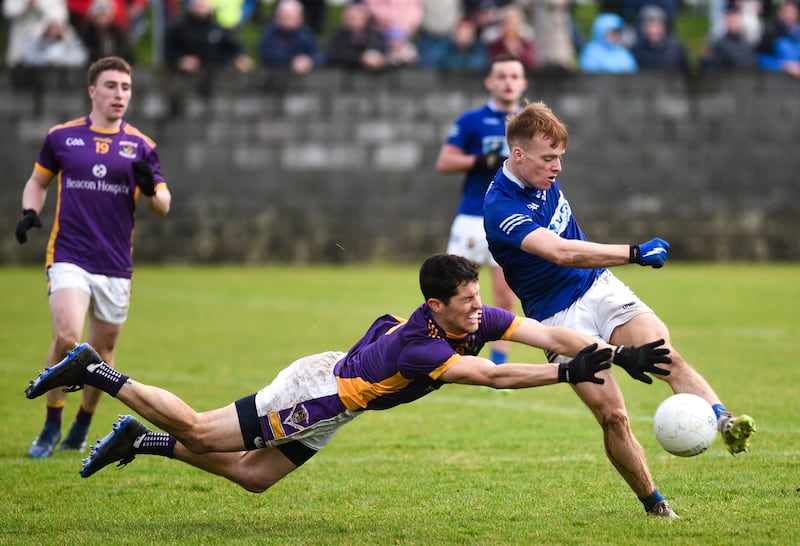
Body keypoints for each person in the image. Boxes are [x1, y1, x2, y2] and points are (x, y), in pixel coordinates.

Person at [24, 253, 673, 496]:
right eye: (468, 301)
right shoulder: (423, 348)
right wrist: (565, 377)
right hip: (316, 394)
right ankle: (97, 373)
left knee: (254, 478)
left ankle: (140, 441)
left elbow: (549, 334)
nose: (480, 307)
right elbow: (493, 379)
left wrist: (619, 354)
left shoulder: (471, 316)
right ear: (436, 305)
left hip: (339, 401)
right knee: (199, 430)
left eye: (479, 297)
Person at [482, 101, 757, 518]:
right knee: (613, 415)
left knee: (667, 355)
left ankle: (724, 423)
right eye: (548, 158)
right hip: (557, 317)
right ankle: (657, 506)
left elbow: (575, 254)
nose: (557, 168)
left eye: (560, 158)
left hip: (599, 288)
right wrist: (633, 252)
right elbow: (560, 252)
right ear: (517, 155)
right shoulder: (501, 207)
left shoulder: (540, 176)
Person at [15, 56, 173, 459]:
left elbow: (163, 205)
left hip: (116, 264)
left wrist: (150, 190)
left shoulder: (141, 146)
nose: (119, 94)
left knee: (102, 356)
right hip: (69, 255)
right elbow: (37, 182)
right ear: (92, 91)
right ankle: (51, 424)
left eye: (125, 87)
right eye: (111, 86)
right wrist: (30, 212)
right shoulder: (62, 138)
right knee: (69, 339)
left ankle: (81, 425)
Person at [435, 54, 526, 366]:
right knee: (454, 293)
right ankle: (442, 356)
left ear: (523, 83)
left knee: (504, 297)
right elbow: (445, 161)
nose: (508, 82)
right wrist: (479, 161)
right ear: (489, 82)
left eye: (514, 76)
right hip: (473, 218)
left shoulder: (529, 124)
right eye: (502, 76)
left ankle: (497, 366)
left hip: (510, 220)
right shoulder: (471, 121)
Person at [163, 0, 254, 99]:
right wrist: (180, 60)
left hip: (214, 84)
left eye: (204, 3)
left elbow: (236, 47)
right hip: (183, 84)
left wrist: (241, 57)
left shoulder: (218, 29)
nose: (201, 5)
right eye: (198, 3)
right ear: (190, 5)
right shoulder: (177, 28)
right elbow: (167, 50)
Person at [258, 0, 320, 75]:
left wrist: (309, 61)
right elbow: (267, 55)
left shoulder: (306, 35)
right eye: (281, 16)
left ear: (299, 18)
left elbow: (318, 55)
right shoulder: (270, 33)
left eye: (288, 16)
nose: (283, 19)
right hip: (273, 78)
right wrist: (293, 61)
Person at [324, 1, 388, 71]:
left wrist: (376, 57)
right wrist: (361, 58)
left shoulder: (374, 34)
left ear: (364, 19)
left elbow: (382, 50)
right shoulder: (337, 34)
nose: (350, 21)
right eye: (347, 18)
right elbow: (333, 54)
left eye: (354, 18)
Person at [630, 3, 690, 71]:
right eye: (649, 26)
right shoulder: (635, 49)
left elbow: (686, 73)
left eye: (657, 26)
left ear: (664, 27)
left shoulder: (677, 48)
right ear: (642, 28)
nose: (653, 30)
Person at [700, 2, 758, 70]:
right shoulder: (719, 45)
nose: (733, 23)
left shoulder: (748, 44)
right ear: (726, 21)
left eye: (735, 20)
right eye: (730, 20)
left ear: (740, 19)